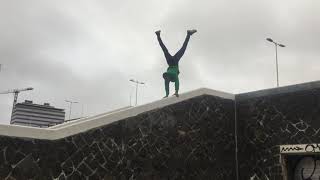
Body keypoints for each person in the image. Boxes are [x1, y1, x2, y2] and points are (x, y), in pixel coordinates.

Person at [155, 29, 197, 98]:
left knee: (181, 48)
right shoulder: (170, 77)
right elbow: (174, 83)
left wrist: (168, 94)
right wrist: (175, 92)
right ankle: (158, 35)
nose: (167, 80)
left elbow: (171, 84)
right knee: (165, 49)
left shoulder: (172, 77)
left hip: (173, 62)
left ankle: (188, 34)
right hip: (172, 62)